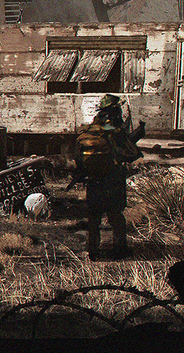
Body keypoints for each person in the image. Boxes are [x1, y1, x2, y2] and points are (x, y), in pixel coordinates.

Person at [73, 95, 142, 260]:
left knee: (94, 218)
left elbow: (77, 158)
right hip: (113, 180)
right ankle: (119, 250)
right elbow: (131, 154)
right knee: (116, 216)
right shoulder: (115, 132)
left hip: (93, 180)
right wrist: (134, 138)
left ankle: (93, 251)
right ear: (115, 111)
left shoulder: (87, 131)